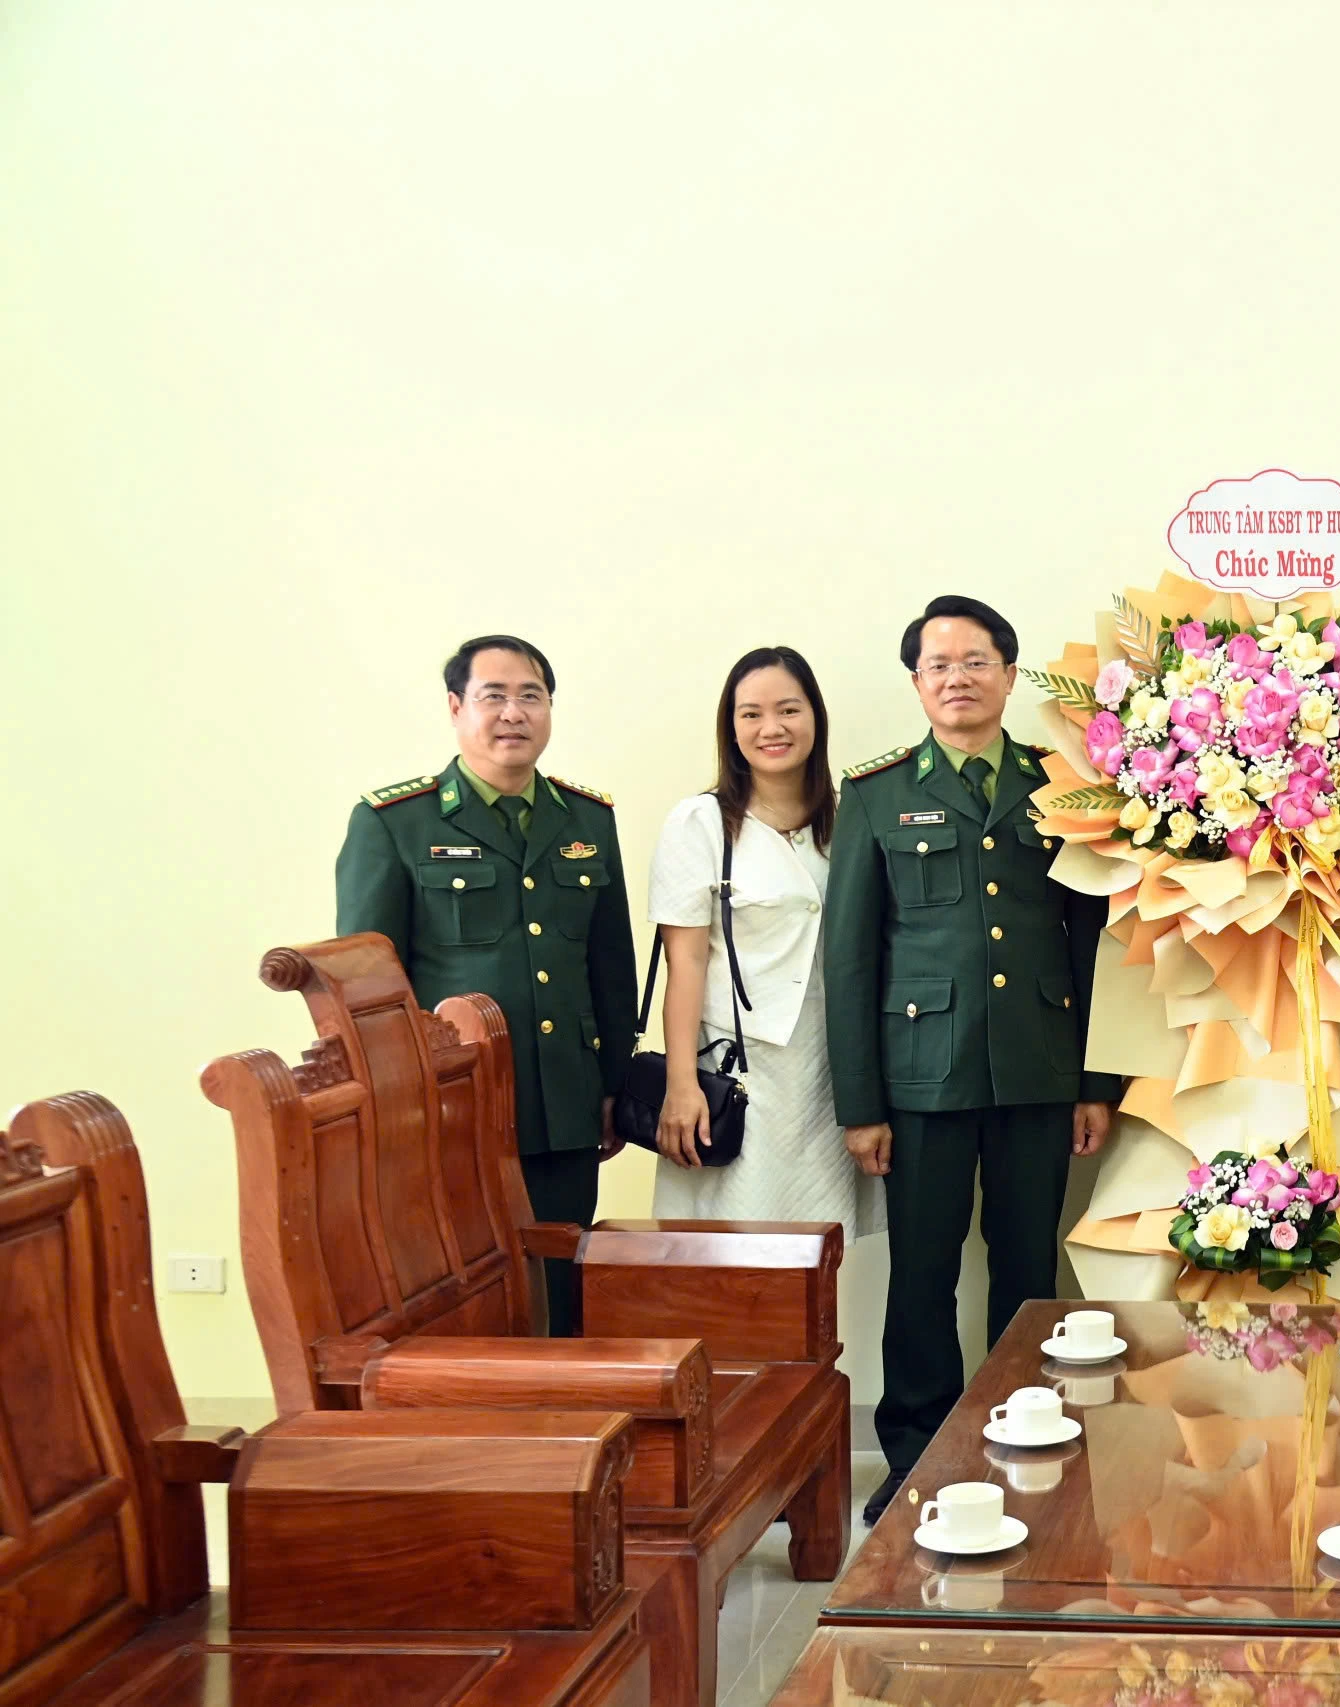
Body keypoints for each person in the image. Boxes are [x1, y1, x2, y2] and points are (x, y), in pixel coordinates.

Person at [825, 594, 1120, 1526]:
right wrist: (861, 1104)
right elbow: (850, 957)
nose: (958, 678)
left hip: (1038, 1069)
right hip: (923, 1076)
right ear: (917, 683)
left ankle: (1030, 1438)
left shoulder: (1060, 786)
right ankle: (916, 1456)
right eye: (939, 664)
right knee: (922, 1274)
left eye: (976, 660)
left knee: (1028, 1271)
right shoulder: (874, 794)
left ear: (1008, 673)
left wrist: (1097, 1082)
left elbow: (1093, 939)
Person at [336, 634, 637, 1336]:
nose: (513, 713)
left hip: (564, 1105)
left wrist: (612, 1087)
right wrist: (394, 1106)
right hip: (450, 1111)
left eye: (531, 696)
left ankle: (562, 1409)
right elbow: (366, 988)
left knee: (561, 1292)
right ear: (455, 707)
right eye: (493, 696)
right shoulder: (396, 823)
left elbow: (610, 966)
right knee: (464, 1295)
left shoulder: (586, 819)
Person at [647, 646, 883, 1249]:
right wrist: (681, 1084)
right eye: (751, 714)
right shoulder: (700, 824)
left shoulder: (852, 820)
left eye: (788, 710)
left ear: (816, 718)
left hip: (833, 1071)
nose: (771, 728)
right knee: (734, 1246)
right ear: (731, 728)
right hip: (738, 1072)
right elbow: (685, 964)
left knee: (828, 1251)